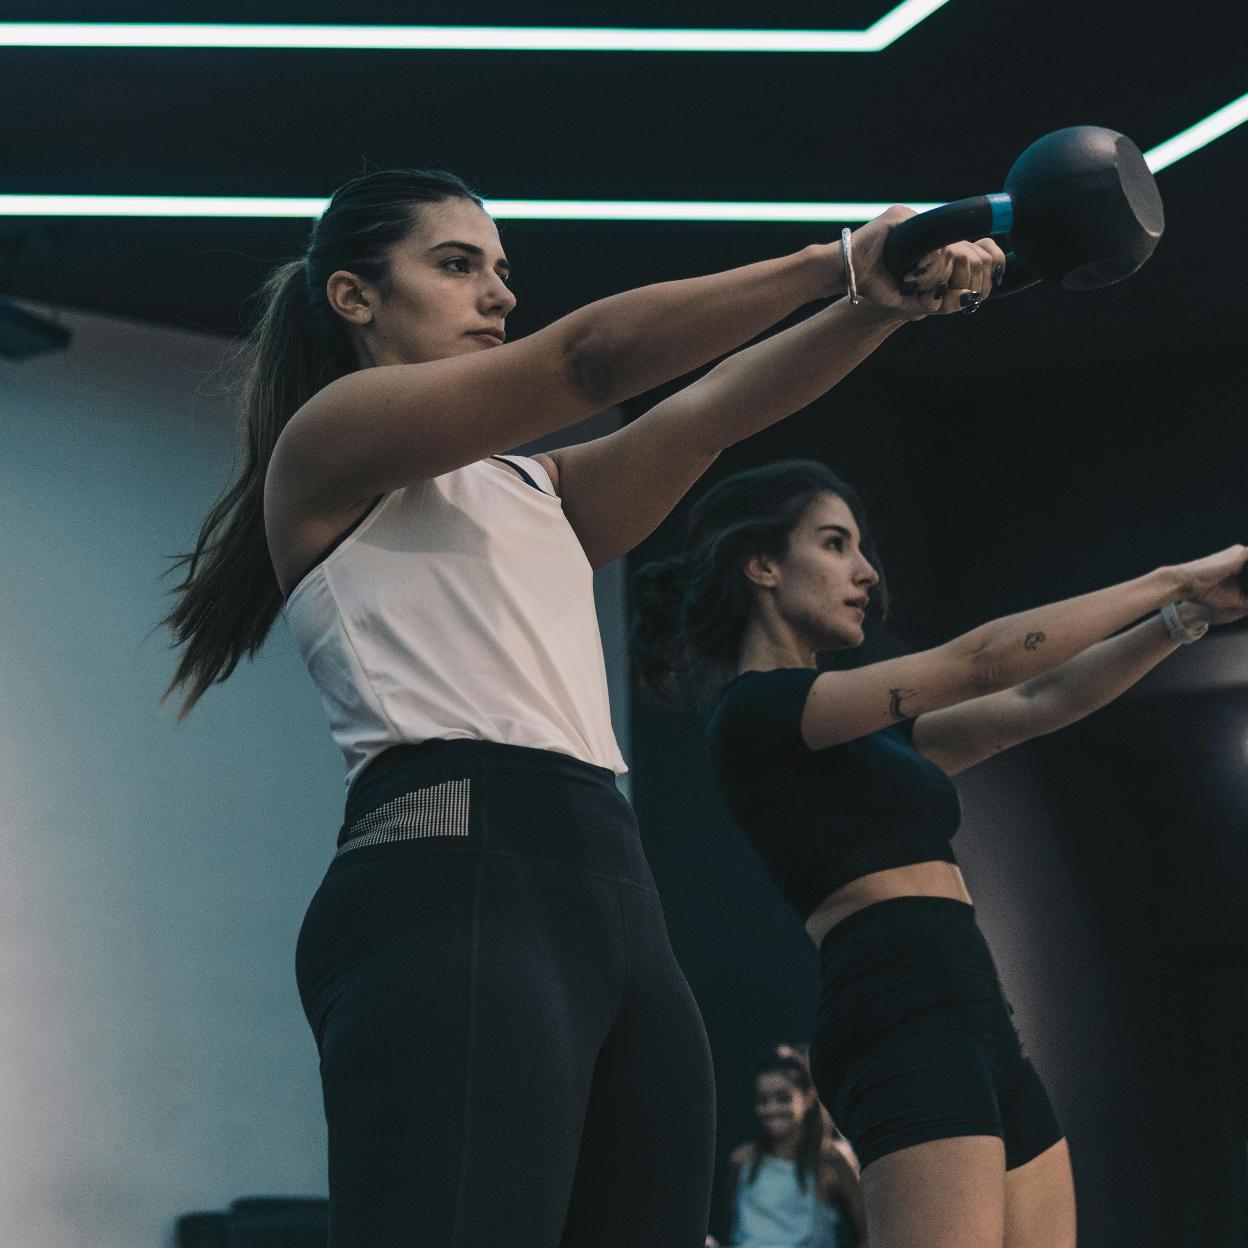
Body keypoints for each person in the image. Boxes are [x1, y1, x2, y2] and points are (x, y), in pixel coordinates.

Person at [161, 166, 1002, 1246]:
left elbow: (715, 411)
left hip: (614, 896)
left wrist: (876, 307)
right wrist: (836, 259)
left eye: (504, 270)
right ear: (353, 298)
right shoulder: (329, 439)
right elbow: (586, 359)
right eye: (458, 264)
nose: (500, 293)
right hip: (450, 880)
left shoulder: (538, 489)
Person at [631, 458, 1248, 1248]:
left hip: (976, 1006)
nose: (865, 572)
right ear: (761, 566)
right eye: (834, 543)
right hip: (898, 1008)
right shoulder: (757, 715)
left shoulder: (863, 732)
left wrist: (1182, 622)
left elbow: (1036, 700)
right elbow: (981, 663)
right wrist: (1171, 579)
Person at [720, 1045, 865, 1248]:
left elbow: (865, 1233)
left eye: (783, 1098)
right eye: (763, 1100)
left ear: (808, 1098)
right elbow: (734, 1228)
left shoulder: (831, 1159)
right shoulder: (742, 1160)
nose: (772, 1108)